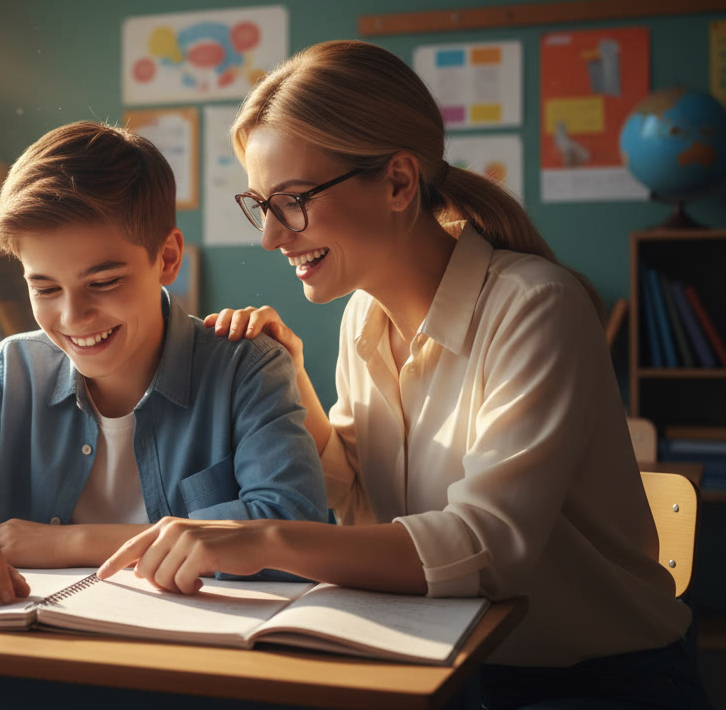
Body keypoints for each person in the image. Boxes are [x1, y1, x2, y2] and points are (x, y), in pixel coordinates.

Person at [97, 41, 710, 709]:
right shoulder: (365, 315)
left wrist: (259, 539)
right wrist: (293, 381)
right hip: (443, 663)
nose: (272, 238)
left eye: (293, 201)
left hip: (597, 682)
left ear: (397, 181)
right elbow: (363, 499)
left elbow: (488, 548)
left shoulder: (536, 307)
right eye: (262, 205)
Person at [0, 120, 327, 609]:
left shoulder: (246, 368)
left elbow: (297, 529)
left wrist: (69, 543)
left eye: (103, 283)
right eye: (44, 288)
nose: (72, 316)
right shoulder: (13, 372)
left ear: (167, 258)